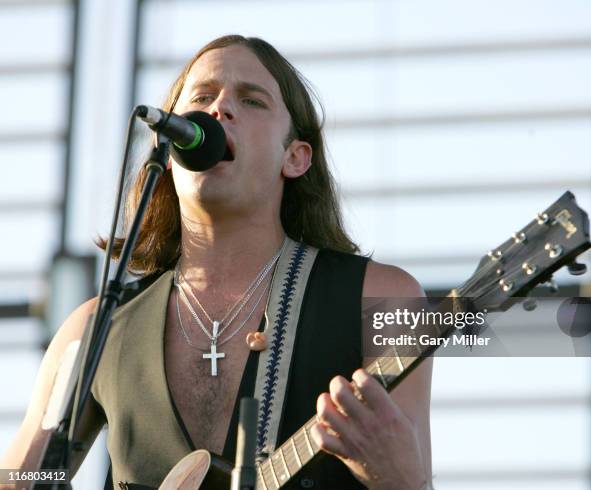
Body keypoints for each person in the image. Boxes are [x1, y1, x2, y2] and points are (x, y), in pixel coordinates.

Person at [1, 35, 433, 490]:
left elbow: (412, 479)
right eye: (203, 97)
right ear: (169, 150)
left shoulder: (381, 301)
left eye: (251, 100)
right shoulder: (95, 327)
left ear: (296, 157)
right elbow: (23, 478)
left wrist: (398, 477)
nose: (220, 108)